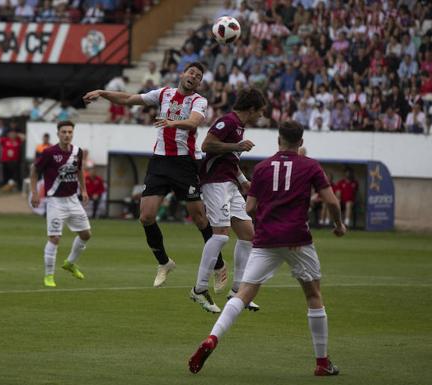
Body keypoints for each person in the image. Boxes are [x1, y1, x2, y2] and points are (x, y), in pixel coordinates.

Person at [188, 121, 346, 376]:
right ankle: (322, 362)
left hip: (266, 239)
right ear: (301, 142)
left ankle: (212, 339)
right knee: (313, 295)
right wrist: (338, 224)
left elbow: (249, 209)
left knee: (243, 295)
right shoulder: (311, 166)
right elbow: (331, 201)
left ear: (278, 140)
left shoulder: (262, 168)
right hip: (297, 239)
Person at [83, 62, 227, 288]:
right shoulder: (163, 93)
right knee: (146, 216)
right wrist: (102, 93)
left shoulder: (199, 101)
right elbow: (129, 99)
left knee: (199, 218)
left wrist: (172, 123)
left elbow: (193, 123)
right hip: (159, 161)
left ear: (199, 83)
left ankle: (218, 265)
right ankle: (164, 262)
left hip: (184, 163)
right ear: (182, 74)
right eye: (191, 72)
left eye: (198, 76)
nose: (194, 77)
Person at [190, 88, 266, 313]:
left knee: (249, 235)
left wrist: (243, 180)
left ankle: (237, 291)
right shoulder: (228, 122)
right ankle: (199, 289)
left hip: (230, 183)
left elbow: (229, 161)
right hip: (215, 183)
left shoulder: (239, 127)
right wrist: (237, 146)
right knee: (221, 235)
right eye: (260, 111)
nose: (261, 116)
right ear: (251, 109)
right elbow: (207, 145)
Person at [30, 121, 91, 288]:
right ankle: (49, 276)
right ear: (58, 134)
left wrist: (84, 191)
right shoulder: (49, 152)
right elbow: (35, 171)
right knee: (55, 238)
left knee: (86, 234)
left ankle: (70, 263)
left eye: (70, 132)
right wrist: (35, 192)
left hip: (72, 199)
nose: (67, 135)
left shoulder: (77, 151)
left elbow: (79, 171)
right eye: (64, 132)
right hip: (55, 201)